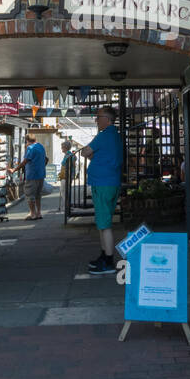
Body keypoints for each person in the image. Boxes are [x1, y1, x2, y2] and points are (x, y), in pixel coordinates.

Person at [81, 106, 123, 274]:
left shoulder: (104, 135)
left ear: (107, 118)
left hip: (103, 184)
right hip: (111, 182)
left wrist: (90, 154)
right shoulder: (115, 136)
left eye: (98, 117)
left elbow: (86, 151)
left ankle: (108, 261)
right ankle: (104, 255)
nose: (96, 120)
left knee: (104, 225)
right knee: (103, 222)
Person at [11, 134, 47, 220]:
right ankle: (39, 213)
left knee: (30, 194)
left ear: (27, 141)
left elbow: (25, 161)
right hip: (41, 174)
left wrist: (14, 170)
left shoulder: (30, 148)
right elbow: (46, 159)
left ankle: (33, 214)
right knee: (38, 195)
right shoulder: (41, 146)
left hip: (32, 175)